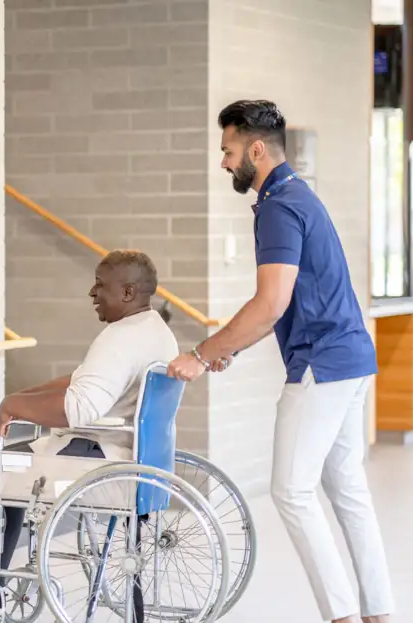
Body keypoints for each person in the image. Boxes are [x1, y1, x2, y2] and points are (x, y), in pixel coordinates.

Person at [167, 100, 393, 623]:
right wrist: (230, 346)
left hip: (323, 362)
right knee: (347, 489)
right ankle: (378, 612)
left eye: (227, 151)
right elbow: (278, 306)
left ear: (256, 148)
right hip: (353, 358)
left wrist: (202, 355)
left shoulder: (279, 206)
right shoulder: (298, 196)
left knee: (290, 490)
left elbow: (271, 304)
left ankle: (342, 615)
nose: (223, 162)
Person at [0, 250, 179, 622]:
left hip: (99, 459)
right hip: (130, 453)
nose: (92, 292)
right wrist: (21, 399)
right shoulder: (152, 330)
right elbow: (83, 379)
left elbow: (79, 408)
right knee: (4, 467)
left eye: (100, 284)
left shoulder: (120, 338)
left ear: (127, 292)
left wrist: (12, 405)